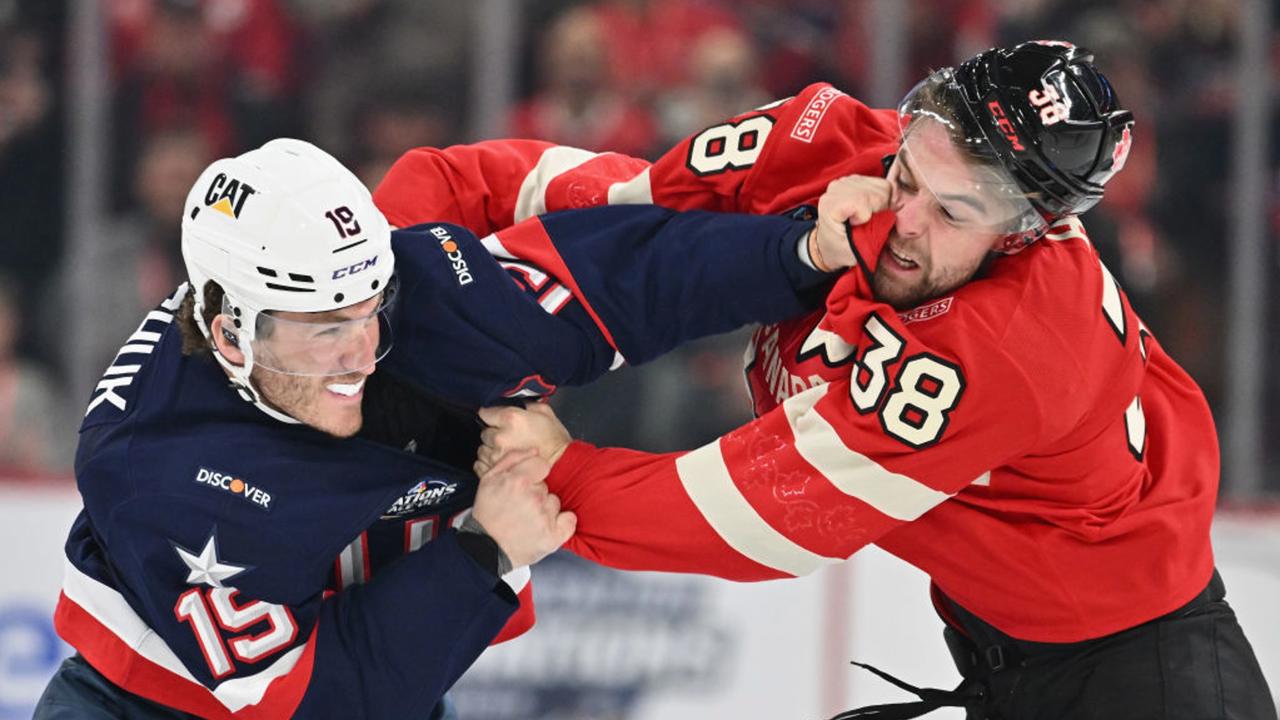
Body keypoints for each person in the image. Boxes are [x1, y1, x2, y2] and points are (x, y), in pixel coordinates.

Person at [378, 43, 1277, 719]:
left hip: (1145, 679)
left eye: (953, 212)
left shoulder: (1013, 346)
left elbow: (764, 517)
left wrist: (560, 471)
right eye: (908, 172)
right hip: (1008, 642)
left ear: (1023, 233)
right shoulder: (823, 140)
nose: (904, 220)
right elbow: (618, 204)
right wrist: (379, 256)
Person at [37, 137, 859, 718]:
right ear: (228, 335)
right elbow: (322, 702)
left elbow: (631, 276)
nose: (362, 349)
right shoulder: (157, 471)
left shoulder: (418, 300)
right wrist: (484, 554)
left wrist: (806, 251)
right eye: (327, 327)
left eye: (370, 310)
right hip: (151, 705)